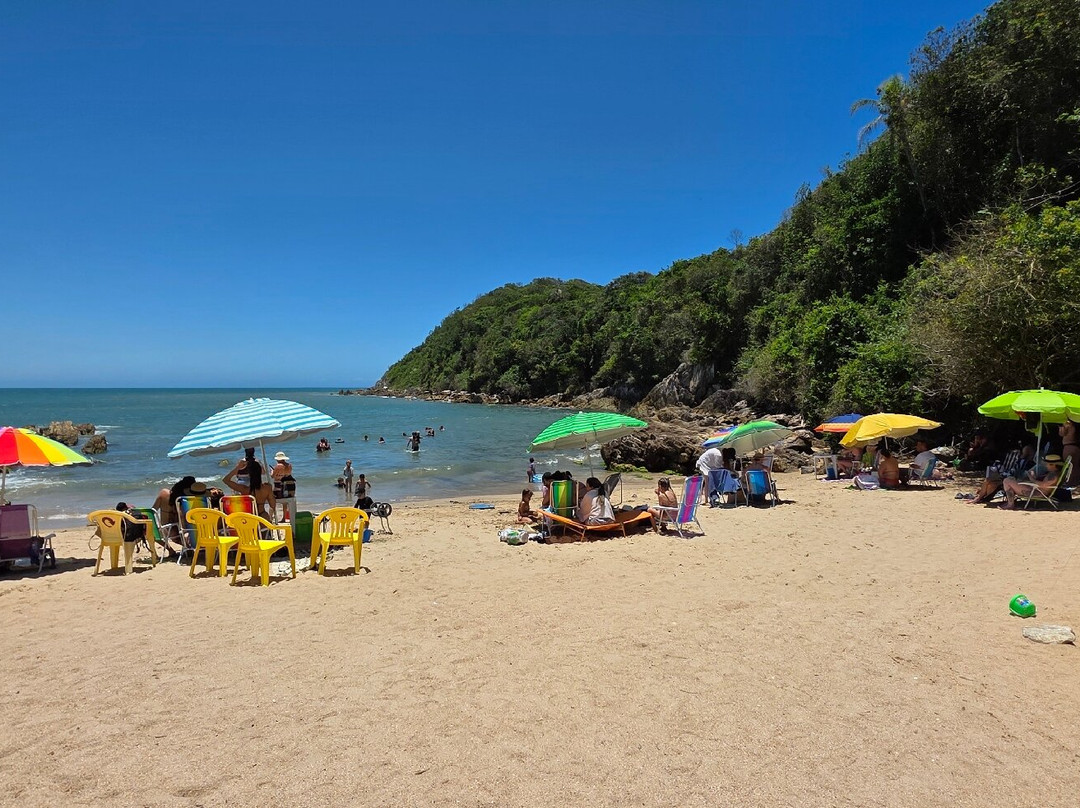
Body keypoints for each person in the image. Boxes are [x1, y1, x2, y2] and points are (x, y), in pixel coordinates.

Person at [1060, 421, 1079, 485]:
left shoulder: (1069, 425)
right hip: (1073, 446)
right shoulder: (1073, 426)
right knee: (1074, 465)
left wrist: (1062, 427)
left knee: (1070, 465)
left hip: (1069, 446)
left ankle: (1071, 482)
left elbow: (1062, 433)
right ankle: (1074, 481)